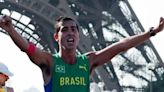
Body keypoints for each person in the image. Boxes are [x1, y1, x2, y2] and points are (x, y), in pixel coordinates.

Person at [0, 15, 164, 92]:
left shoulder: (88, 61)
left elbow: (120, 46)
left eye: (74, 30)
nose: (70, 33)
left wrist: (151, 32)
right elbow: (27, 47)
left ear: (79, 36)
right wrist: (11, 29)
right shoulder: (49, 62)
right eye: (65, 30)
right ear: (57, 37)